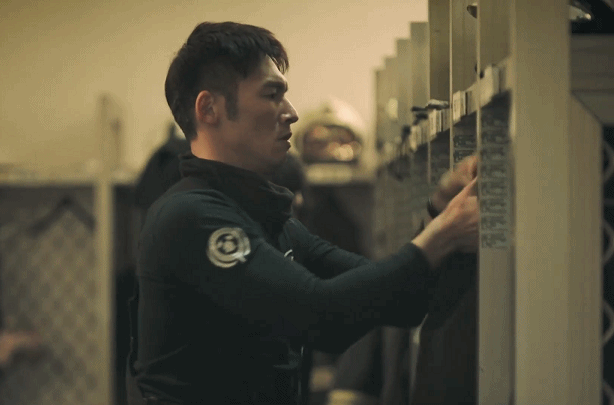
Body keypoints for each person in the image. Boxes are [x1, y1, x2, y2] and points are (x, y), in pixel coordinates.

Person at [127, 21, 479, 405]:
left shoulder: (270, 220)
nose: (291, 112)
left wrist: (438, 211)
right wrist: (442, 234)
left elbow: (392, 296)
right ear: (209, 108)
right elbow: (321, 316)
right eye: (272, 94)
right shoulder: (192, 217)